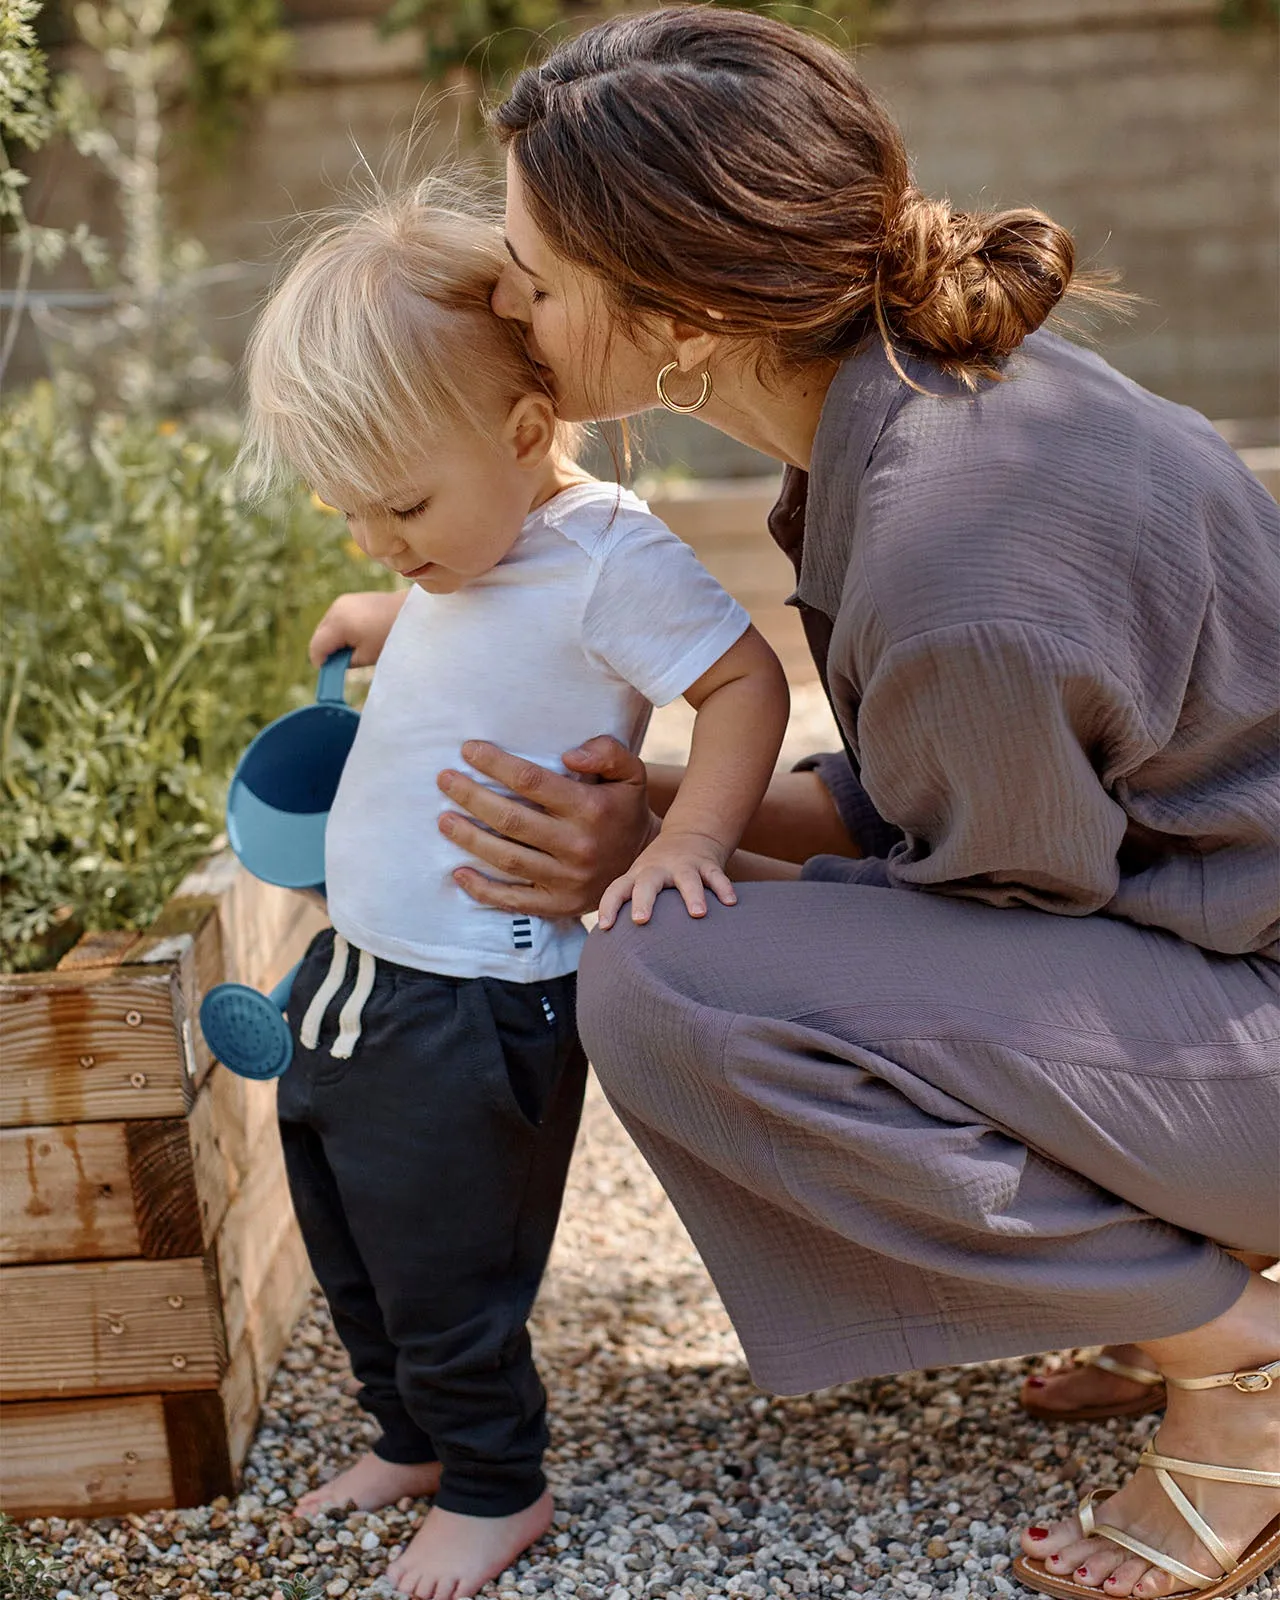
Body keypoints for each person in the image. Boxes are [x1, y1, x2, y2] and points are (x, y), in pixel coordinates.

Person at [362, 10, 1277, 1599]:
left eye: (537, 275)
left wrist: (667, 850)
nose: (502, 301)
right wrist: (662, 799)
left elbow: (998, 901)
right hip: (1222, 966)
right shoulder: (942, 396)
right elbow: (987, 797)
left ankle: (1242, 1373)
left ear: (688, 315)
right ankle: (1165, 1280)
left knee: (675, 981)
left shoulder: (949, 541)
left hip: (1242, 1015)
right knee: (703, 928)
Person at [238, 188, 789, 1600]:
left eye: (402, 507)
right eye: (350, 513)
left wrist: (692, 840)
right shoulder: (463, 553)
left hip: (478, 992)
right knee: (346, 1219)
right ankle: (411, 1437)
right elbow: (466, 597)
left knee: (447, 1253)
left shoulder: (607, 557)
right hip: (358, 968)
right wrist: (393, 610)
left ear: (526, 435)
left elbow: (743, 679)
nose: (378, 539)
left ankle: (496, 1487)